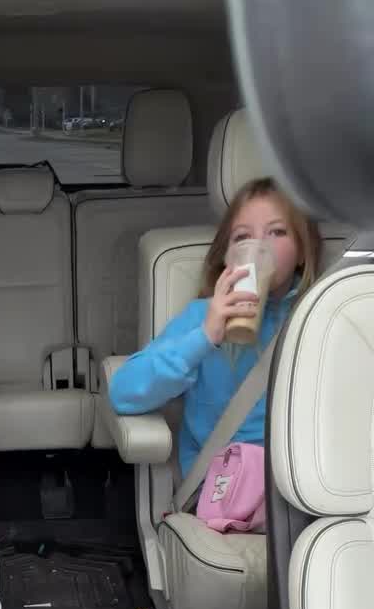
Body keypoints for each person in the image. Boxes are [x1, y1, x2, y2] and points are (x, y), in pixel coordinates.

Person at [108, 177, 322, 478]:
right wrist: (204, 338)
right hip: (224, 486)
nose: (259, 247)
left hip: (302, 481)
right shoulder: (203, 317)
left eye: (276, 232)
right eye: (243, 237)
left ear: (302, 251)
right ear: (228, 257)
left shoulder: (320, 316)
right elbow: (123, 393)